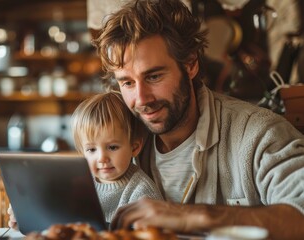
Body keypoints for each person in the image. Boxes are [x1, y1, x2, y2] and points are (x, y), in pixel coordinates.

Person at [90, 0, 304, 239]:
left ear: (190, 65)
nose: (141, 99)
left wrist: (197, 216)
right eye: (127, 82)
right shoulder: (117, 140)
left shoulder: (261, 134)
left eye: (154, 76)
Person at [70, 91, 162, 223]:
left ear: (134, 147)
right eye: (91, 149)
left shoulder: (142, 193)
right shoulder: (82, 184)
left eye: (112, 147)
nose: (102, 158)